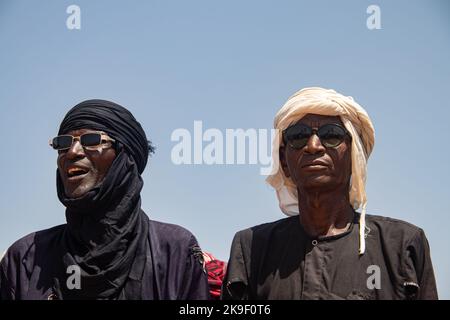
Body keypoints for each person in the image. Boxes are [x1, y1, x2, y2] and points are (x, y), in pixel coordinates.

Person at [222, 87, 438, 300]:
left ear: (355, 156)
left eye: (331, 135)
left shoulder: (401, 245)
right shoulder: (252, 247)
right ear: (283, 161)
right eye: (298, 136)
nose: (313, 146)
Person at [0, 99, 210, 300]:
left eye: (91, 140)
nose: (72, 152)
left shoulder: (175, 251)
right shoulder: (25, 259)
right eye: (63, 143)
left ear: (124, 159)